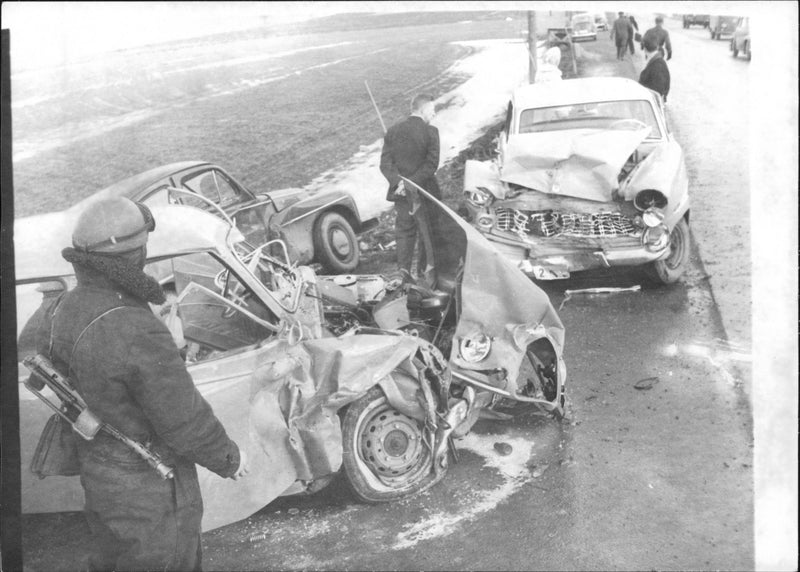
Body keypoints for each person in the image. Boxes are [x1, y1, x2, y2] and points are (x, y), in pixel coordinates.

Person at [36, 197, 249, 571]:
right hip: (149, 486)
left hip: (100, 474)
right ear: (136, 255)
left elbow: (95, 368)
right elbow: (183, 420)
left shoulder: (61, 309)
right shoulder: (136, 328)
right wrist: (229, 458)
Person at [380, 93, 440, 279]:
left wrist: (399, 183)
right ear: (423, 109)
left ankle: (403, 273)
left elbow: (385, 164)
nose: (434, 114)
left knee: (405, 233)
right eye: (432, 110)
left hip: (401, 193)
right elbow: (431, 165)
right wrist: (410, 184)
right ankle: (424, 275)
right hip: (425, 192)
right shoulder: (431, 132)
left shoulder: (392, 131)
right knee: (427, 234)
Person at [639, 38, 671, 103]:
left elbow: (657, 92)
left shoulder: (657, 66)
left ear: (645, 49)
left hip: (652, 102)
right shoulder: (657, 61)